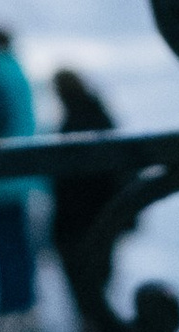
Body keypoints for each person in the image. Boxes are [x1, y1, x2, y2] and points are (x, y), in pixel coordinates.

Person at [0, 22, 42, 325]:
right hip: (20, 174)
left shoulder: (0, 78)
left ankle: (11, 307)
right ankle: (26, 304)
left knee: (5, 245)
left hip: (0, 178)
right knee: (20, 244)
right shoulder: (18, 74)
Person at [50, 61, 124, 310]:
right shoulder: (100, 116)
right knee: (99, 283)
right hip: (105, 214)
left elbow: (68, 186)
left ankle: (93, 326)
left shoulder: (72, 125)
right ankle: (100, 325)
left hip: (78, 221)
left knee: (83, 286)